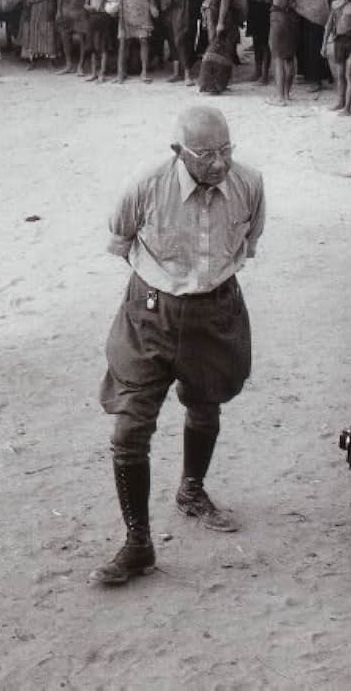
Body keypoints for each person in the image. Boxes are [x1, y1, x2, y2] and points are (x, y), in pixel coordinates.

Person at [91, 106, 265, 586]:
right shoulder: (145, 184)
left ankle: (192, 489)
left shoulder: (249, 183)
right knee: (129, 429)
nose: (219, 163)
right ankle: (138, 542)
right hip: (150, 312)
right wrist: (165, 287)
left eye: (226, 150)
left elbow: (248, 241)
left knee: (206, 407)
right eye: (206, 154)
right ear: (178, 151)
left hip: (217, 310)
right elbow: (120, 238)